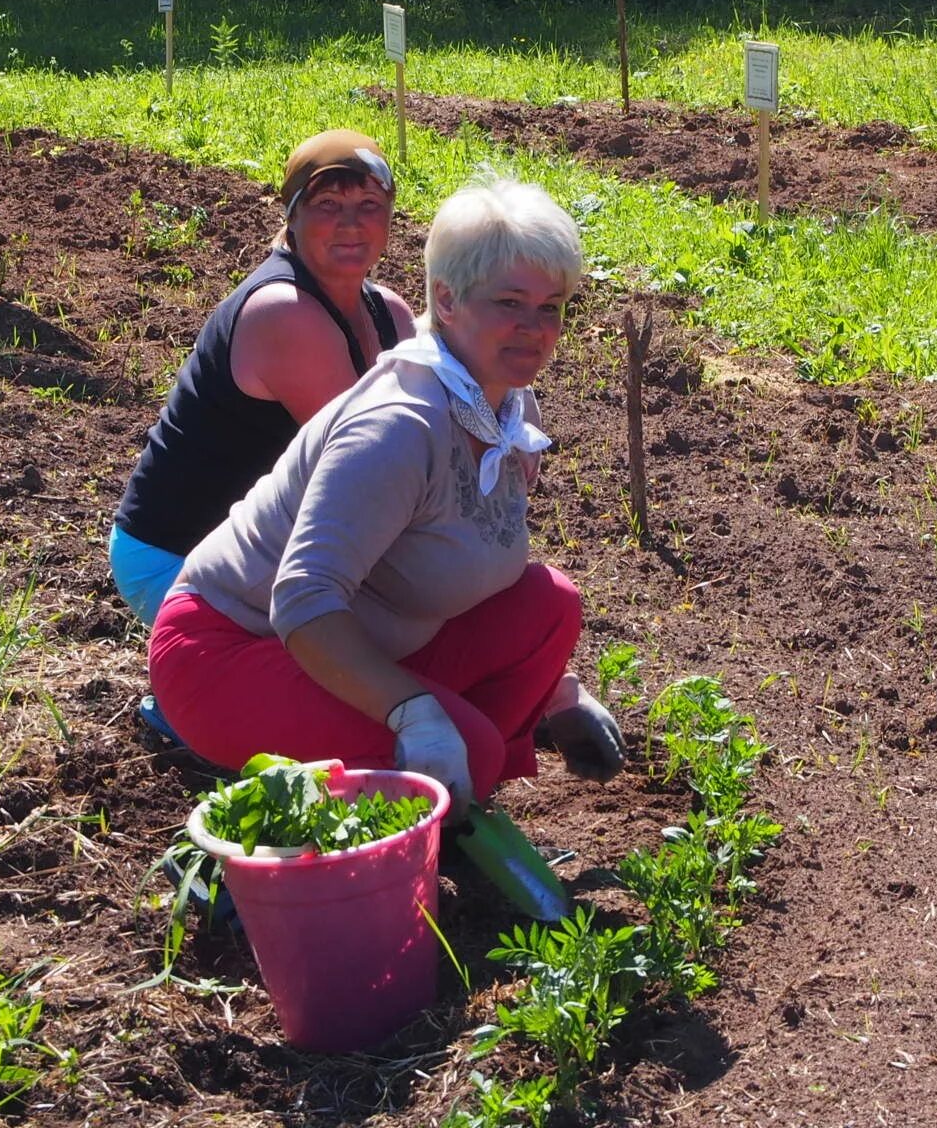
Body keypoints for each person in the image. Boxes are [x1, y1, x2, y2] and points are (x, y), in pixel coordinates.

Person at [148, 176, 623, 807]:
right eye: (509, 303)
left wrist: (553, 690)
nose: (534, 329)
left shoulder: (504, 401)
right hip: (234, 652)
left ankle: (444, 798)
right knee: (466, 745)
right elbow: (302, 599)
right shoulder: (398, 425)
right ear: (447, 301)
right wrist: (414, 715)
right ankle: (412, 782)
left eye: (551, 307)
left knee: (548, 604)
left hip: (365, 642)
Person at [110, 129, 415, 628]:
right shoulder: (285, 314)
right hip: (178, 558)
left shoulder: (390, 313)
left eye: (368, 203)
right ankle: (198, 698)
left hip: (256, 550)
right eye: (327, 203)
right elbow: (375, 465)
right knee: (373, 643)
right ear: (292, 215)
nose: (351, 223)